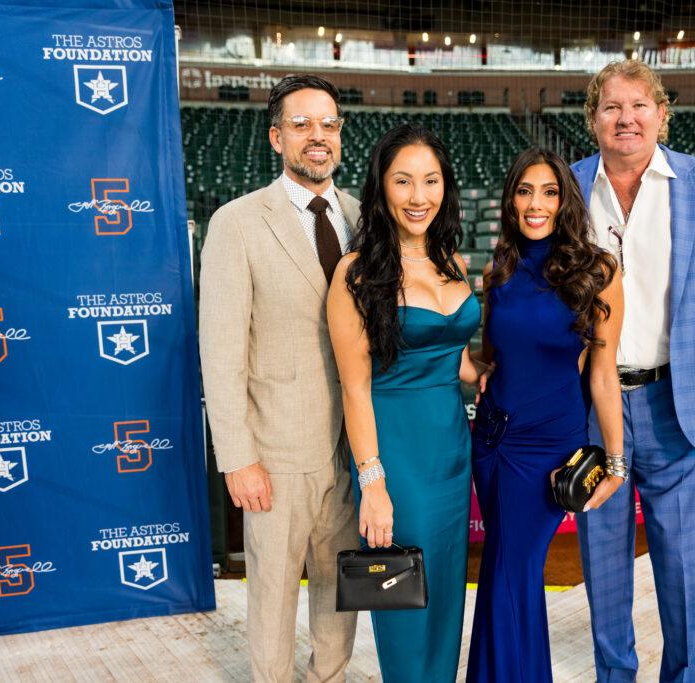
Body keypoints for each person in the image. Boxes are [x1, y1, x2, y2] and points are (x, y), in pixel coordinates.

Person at [571, 60, 695, 683]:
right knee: (602, 566)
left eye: (639, 106)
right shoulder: (564, 191)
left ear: (661, 114)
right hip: (593, 409)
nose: (626, 119)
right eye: (612, 108)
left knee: (683, 570)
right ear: (593, 120)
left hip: (682, 403)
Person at [198, 74, 360, 682]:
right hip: (276, 451)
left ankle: (330, 676)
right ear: (276, 137)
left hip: (354, 445)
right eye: (301, 125)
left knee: (339, 590)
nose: (317, 136)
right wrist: (238, 456)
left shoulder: (361, 217)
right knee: (271, 595)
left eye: (328, 124)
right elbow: (220, 349)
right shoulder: (237, 222)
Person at [327, 124, 488, 683]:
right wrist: (373, 483)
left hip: (450, 445)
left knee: (446, 594)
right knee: (404, 595)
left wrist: (484, 372)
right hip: (395, 450)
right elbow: (354, 387)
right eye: (403, 181)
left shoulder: (453, 260)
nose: (419, 196)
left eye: (430, 181)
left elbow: (455, 356)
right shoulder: (356, 273)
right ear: (381, 187)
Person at [466, 147, 625, 682]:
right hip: (489, 440)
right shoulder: (498, 270)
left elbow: (603, 376)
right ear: (511, 200)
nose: (537, 204)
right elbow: (491, 356)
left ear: (566, 201)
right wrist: (464, 361)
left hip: (545, 451)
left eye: (550, 192)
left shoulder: (599, 272)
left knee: (512, 573)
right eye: (525, 191)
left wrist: (616, 464)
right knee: (504, 575)